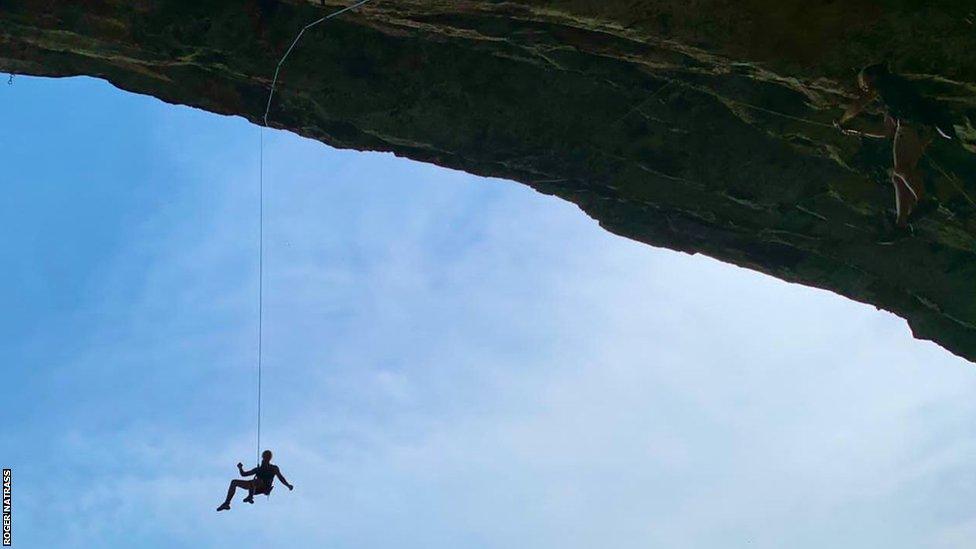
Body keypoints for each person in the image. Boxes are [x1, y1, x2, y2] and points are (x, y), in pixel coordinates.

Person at [835, 62, 954, 229]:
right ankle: (901, 224)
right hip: (909, 128)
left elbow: (858, 105)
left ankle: (924, 200)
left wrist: (842, 121)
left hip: (914, 127)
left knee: (901, 171)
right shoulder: (889, 97)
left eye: (863, 81)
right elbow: (887, 131)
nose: (863, 87)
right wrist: (859, 131)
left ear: (874, 77)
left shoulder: (887, 85)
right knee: (898, 177)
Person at [217, 450, 293, 511]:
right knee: (234, 482)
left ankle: (250, 496)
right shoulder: (258, 469)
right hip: (253, 487)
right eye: (265, 457)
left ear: (269, 458)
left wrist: (288, 485)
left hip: (264, 487)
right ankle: (227, 503)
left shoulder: (273, 468)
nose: (265, 459)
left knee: (257, 481)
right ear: (262, 457)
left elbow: (281, 478)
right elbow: (244, 474)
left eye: (267, 457)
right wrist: (240, 468)